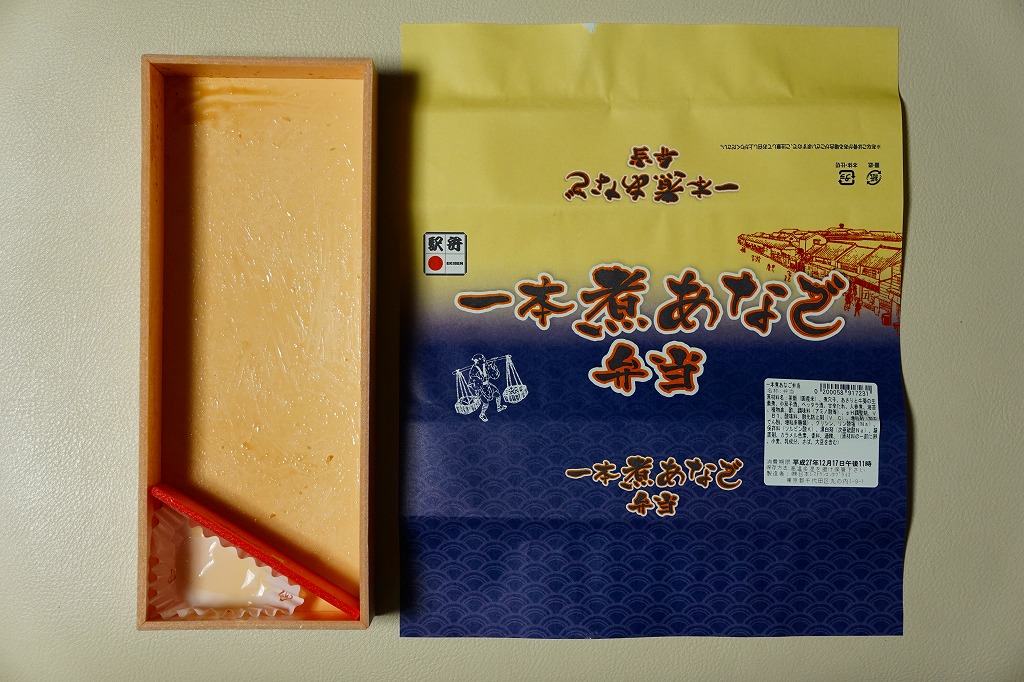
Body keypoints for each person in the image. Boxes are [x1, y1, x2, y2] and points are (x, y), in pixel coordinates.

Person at [467, 353, 505, 422]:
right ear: (476, 361)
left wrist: (493, 363)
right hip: (481, 388)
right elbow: (473, 380)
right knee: (485, 403)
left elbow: (492, 373)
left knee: (497, 394)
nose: (484, 359)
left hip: (488, 385)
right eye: (482, 359)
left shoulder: (485, 365)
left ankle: (499, 407)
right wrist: (477, 384)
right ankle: (482, 414)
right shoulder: (474, 369)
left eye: (483, 358)